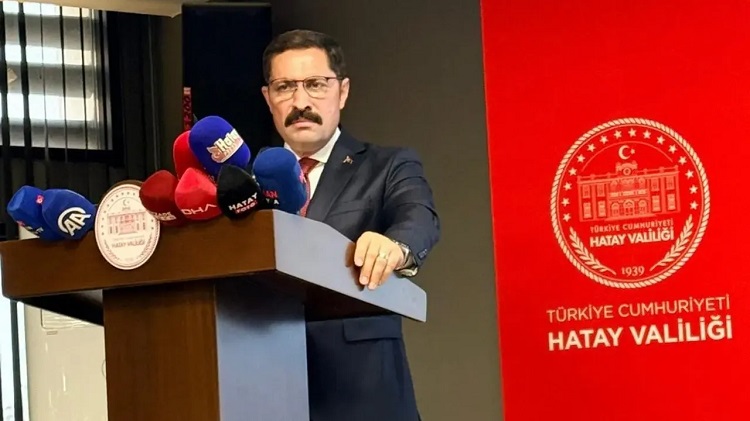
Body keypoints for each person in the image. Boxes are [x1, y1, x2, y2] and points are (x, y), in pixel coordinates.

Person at [260, 29, 441, 421]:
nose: (300, 102)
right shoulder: (247, 181)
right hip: (265, 383)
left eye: (315, 84)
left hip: (362, 388)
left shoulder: (386, 165)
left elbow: (418, 216)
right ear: (268, 98)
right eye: (285, 87)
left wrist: (395, 247)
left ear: (342, 92)